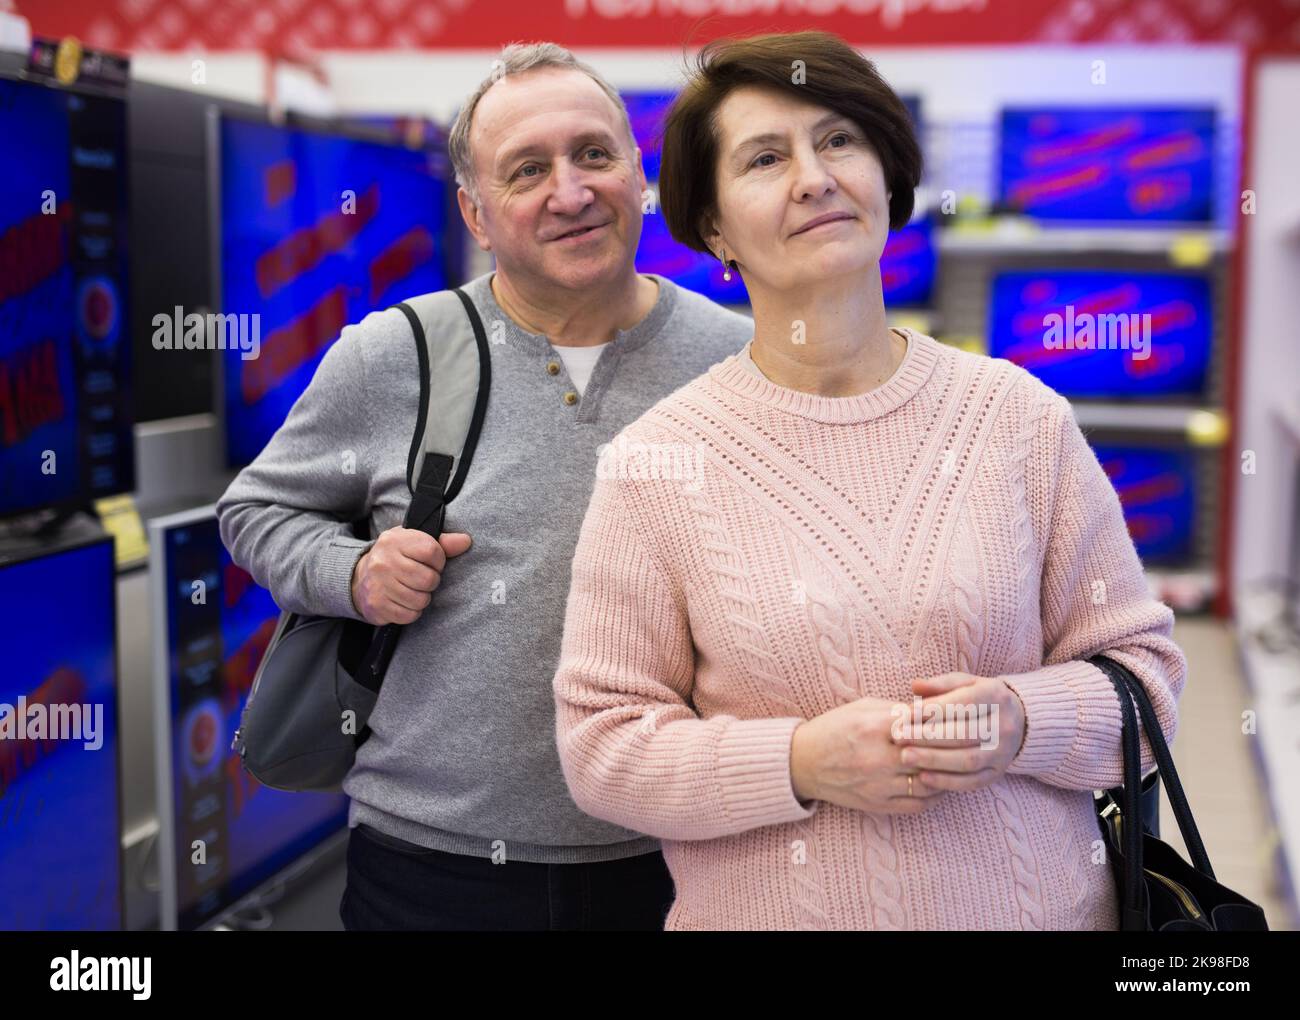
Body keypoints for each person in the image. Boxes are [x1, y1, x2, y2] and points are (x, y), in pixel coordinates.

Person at [551, 30, 1188, 930]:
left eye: (839, 140)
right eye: (766, 158)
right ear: (714, 228)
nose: (814, 177)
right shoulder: (658, 464)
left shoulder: (1017, 419)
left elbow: (1145, 676)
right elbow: (602, 748)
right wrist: (802, 762)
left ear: (887, 176)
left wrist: (1019, 720)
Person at [216, 41, 755, 930]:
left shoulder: (735, 359)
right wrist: (351, 573)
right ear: (474, 211)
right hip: (433, 869)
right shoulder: (396, 354)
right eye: (527, 170)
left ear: (637, 171)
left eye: (594, 154)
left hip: (684, 862)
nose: (571, 191)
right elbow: (255, 511)